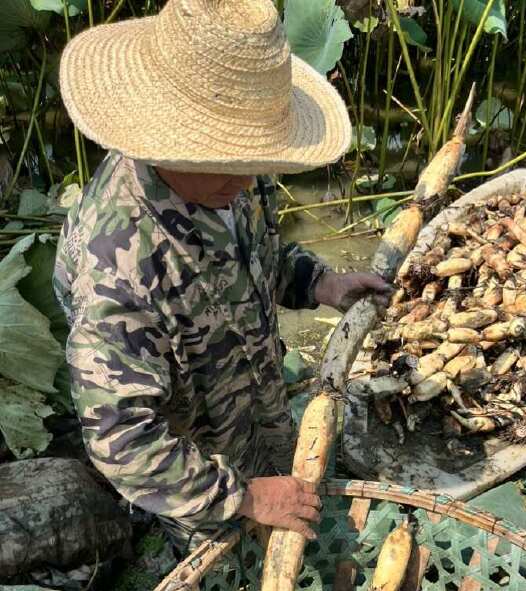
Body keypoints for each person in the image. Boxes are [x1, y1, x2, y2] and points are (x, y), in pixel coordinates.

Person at [53, 0, 391, 553]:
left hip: (257, 408)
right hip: (197, 471)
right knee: (230, 586)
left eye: (254, 161)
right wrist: (243, 498)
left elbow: (255, 255)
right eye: (228, 162)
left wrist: (319, 284)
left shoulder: (230, 177)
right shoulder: (115, 262)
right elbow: (121, 437)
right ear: (165, 141)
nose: (249, 178)